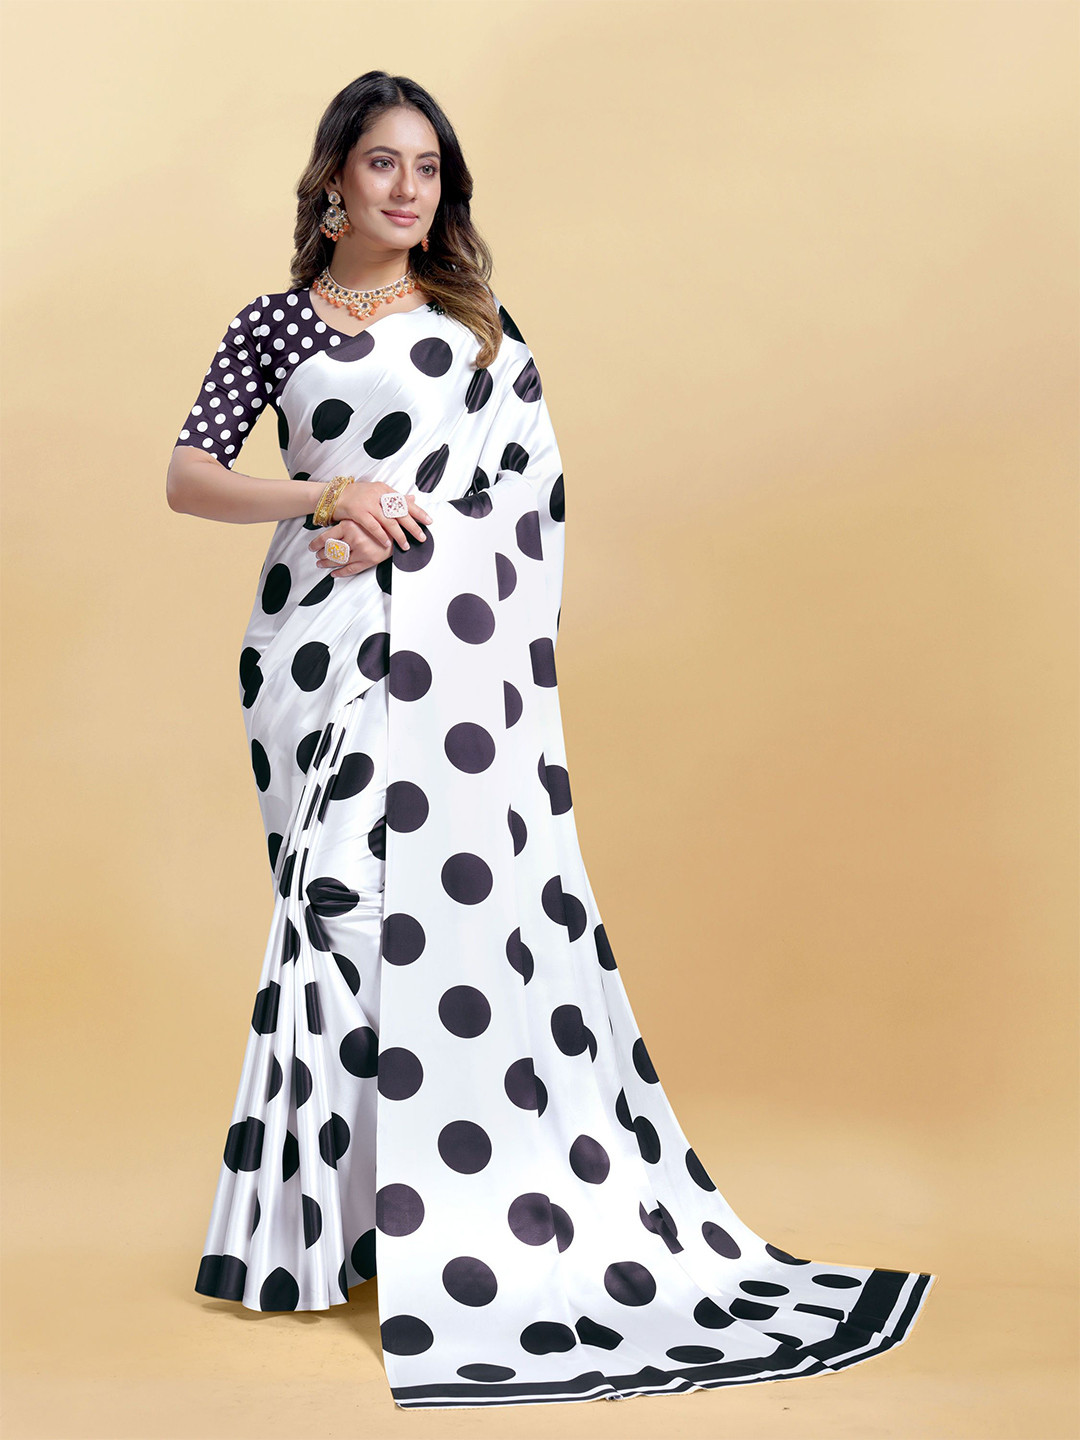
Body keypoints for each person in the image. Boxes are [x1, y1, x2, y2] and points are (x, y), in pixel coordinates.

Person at [167, 70, 935, 1412]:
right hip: (311, 656)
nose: (409, 190)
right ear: (335, 177)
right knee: (333, 915)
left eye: (429, 170)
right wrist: (325, 496)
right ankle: (327, 1232)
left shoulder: (477, 334)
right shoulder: (273, 323)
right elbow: (189, 478)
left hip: (446, 671)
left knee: (416, 918)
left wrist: (413, 543)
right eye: (384, 163)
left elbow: (529, 505)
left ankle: (445, 1216)